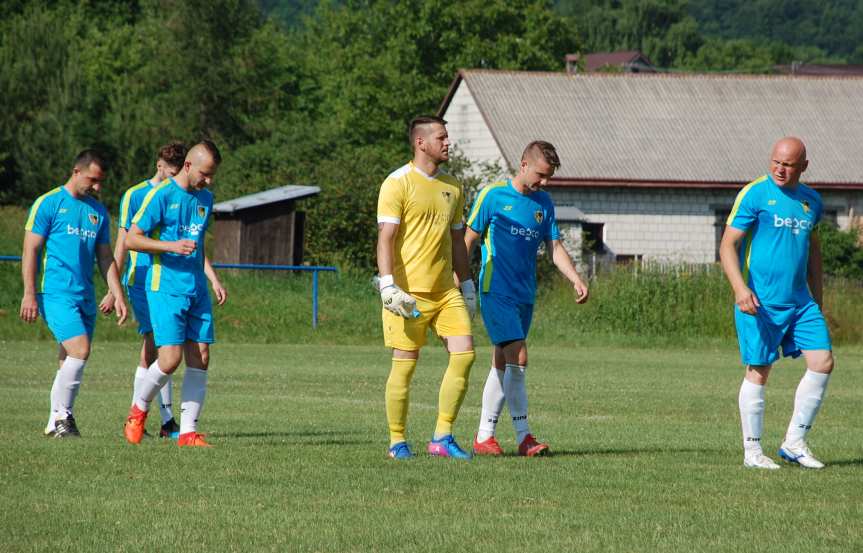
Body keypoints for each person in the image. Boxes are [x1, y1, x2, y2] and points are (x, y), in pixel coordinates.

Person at [465, 141, 589, 457]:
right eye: (540, 175)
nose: (544, 183)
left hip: (525, 294)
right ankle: (525, 436)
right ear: (523, 164)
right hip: (496, 290)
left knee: (502, 362)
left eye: (548, 177)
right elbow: (467, 240)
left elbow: (555, 247)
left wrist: (575, 278)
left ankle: (484, 437)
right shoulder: (493, 196)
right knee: (518, 357)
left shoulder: (543, 203)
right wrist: (460, 281)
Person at [719, 136, 834, 470]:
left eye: (789, 165)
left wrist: (818, 299)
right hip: (760, 300)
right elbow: (728, 246)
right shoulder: (755, 193)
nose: (780, 170)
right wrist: (740, 289)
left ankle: (795, 443)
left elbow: (814, 252)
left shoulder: (812, 201)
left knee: (823, 361)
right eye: (776, 162)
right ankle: (752, 452)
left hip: (801, 302)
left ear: (804, 167)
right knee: (759, 370)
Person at [104, 142, 226, 439]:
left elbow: (196, 243)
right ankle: (138, 408)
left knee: (201, 356)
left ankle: (188, 433)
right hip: (164, 286)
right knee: (170, 360)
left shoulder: (205, 199)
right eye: (205, 174)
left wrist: (211, 277)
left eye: (212, 176)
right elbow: (132, 239)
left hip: (195, 287)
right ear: (188, 166)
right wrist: (170, 246)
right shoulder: (161, 195)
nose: (208, 181)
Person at [376, 115, 476, 460]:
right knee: (405, 364)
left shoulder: (453, 186)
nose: (448, 143)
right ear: (421, 143)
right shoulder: (397, 183)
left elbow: (457, 241)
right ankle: (396, 441)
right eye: (442, 137)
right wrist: (388, 286)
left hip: (445, 291)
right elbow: (385, 238)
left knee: (465, 355)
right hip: (407, 293)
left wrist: (467, 285)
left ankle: (442, 437)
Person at [19, 149, 128, 438]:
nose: (97, 187)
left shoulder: (97, 212)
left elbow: (105, 257)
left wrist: (117, 294)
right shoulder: (49, 203)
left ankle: (54, 419)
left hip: (85, 296)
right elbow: (31, 250)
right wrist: (29, 293)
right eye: (93, 180)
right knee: (80, 350)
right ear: (76, 171)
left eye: (100, 181)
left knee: (69, 358)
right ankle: (65, 418)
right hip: (55, 293)